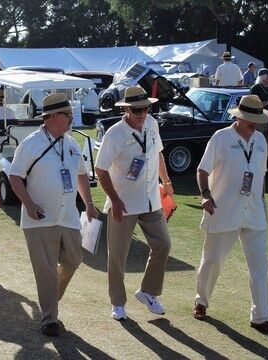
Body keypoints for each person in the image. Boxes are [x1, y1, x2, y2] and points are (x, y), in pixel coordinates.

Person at [8, 93, 98, 337]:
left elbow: (81, 174)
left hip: (68, 215)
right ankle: (49, 318)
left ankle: (49, 300)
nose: (71, 118)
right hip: (40, 218)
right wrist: (28, 203)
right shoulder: (31, 143)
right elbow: (14, 176)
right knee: (46, 270)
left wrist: (88, 203)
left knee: (73, 259)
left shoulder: (71, 143)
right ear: (53, 117)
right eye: (67, 114)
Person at [192, 95, 268, 336]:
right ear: (239, 117)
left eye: (258, 119)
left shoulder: (261, 140)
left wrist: (262, 203)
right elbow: (202, 170)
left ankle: (260, 317)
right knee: (212, 260)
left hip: (253, 212)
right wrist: (205, 195)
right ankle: (201, 301)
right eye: (251, 119)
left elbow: (260, 175)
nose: (255, 124)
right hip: (223, 209)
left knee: (260, 266)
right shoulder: (221, 137)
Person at [94, 86, 173, 321]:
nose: (142, 113)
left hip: (150, 199)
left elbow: (157, 153)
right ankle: (118, 303)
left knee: (163, 245)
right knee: (117, 256)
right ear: (126, 109)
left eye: (146, 108)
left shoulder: (152, 124)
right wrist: (115, 199)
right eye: (137, 109)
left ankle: (148, 292)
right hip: (124, 203)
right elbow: (100, 169)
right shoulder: (114, 133)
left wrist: (166, 180)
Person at [249, 68, 268, 146]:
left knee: (266, 143)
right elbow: (254, 105)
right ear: (264, 77)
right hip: (258, 120)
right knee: (257, 143)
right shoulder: (255, 88)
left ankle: (264, 157)